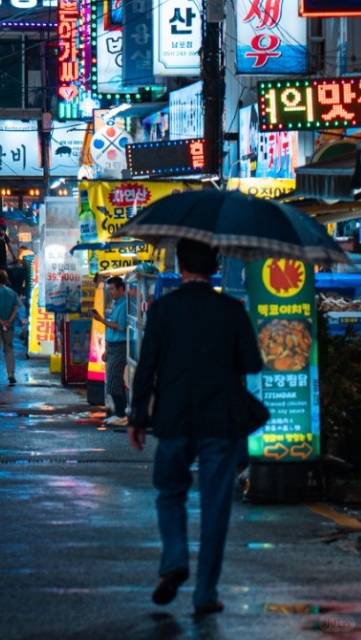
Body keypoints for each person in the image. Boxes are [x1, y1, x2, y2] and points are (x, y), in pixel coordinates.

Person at [128, 239, 263, 619]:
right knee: (215, 505)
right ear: (216, 266)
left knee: (170, 492)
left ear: (181, 265)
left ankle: (174, 560)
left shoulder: (164, 310)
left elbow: (147, 367)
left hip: (173, 419)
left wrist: (138, 417)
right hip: (221, 420)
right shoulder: (230, 311)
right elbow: (252, 364)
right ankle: (205, 593)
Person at [94, 276, 129, 425]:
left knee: (114, 380)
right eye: (109, 290)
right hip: (113, 346)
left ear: (121, 288)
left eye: (113, 289)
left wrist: (101, 320)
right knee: (113, 380)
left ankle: (120, 413)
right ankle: (119, 412)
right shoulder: (117, 304)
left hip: (120, 346)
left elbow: (119, 326)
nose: (111, 293)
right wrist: (107, 349)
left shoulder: (125, 305)